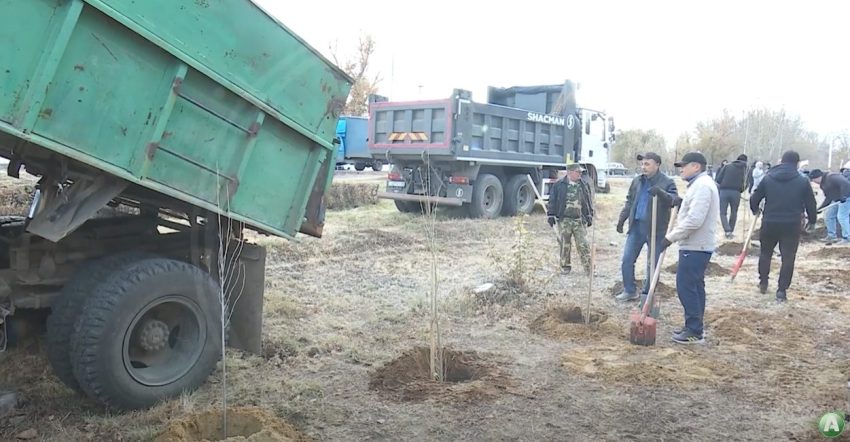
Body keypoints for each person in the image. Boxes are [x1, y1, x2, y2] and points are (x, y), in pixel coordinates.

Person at [659, 152, 719, 344]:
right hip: (697, 245)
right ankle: (694, 326)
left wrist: (670, 237)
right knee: (695, 286)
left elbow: (694, 220)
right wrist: (682, 203)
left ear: (696, 167)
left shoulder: (702, 186)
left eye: (684, 166)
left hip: (696, 245)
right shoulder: (700, 185)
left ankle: (694, 330)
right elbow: (694, 210)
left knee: (686, 286)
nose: (681, 169)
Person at [749, 151, 817, 302]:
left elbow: (754, 198)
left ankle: (763, 282)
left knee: (765, 253)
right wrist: (812, 221)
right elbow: (811, 203)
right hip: (791, 224)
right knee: (788, 258)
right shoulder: (802, 180)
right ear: (797, 163)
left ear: (781, 161)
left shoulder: (768, 178)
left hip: (770, 222)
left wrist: (755, 210)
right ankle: (781, 291)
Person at [614, 152, 680, 302]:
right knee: (627, 259)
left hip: (656, 229)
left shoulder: (667, 182)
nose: (643, 167)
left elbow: (675, 201)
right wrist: (622, 219)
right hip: (637, 227)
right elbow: (630, 201)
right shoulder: (637, 181)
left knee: (653, 264)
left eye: (647, 164)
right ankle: (629, 290)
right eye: (642, 164)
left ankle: (647, 294)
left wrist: (661, 193)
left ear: (657, 165)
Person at [547, 163, 594, 274]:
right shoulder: (559, 185)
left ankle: (589, 269)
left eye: (580, 172)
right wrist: (550, 215)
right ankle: (565, 267)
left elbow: (588, 201)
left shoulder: (583, 185)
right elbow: (552, 201)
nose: (580, 174)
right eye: (578, 172)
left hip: (579, 220)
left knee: (583, 244)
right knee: (564, 244)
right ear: (570, 173)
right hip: (564, 220)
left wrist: (589, 215)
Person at [808, 169, 850, 245]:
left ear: (818, 177)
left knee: (842, 217)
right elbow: (828, 198)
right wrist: (820, 208)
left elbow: (845, 183)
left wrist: (844, 195)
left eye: (814, 180)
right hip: (837, 199)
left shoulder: (832, 177)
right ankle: (832, 236)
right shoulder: (823, 185)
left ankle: (847, 238)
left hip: (847, 198)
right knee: (829, 216)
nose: (814, 182)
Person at [714, 154, 749, 239]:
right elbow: (747, 183)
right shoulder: (746, 169)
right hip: (736, 193)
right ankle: (731, 230)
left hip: (724, 191)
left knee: (723, 212)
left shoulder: (727, 166)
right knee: (734, 212)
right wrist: (741, 190)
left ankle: (727, 230)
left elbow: (718, 179)